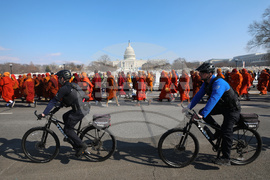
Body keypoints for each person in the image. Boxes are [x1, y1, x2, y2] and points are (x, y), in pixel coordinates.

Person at [182, 62, 241, 165]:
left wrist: (202, 115)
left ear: (209, 73)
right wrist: (188, 107)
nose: (200, 74)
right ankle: (218, 131)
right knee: (203, 113)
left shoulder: (219, 83)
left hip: (232, 109)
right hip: (223, 107)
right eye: (200, 72)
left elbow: (214, 99)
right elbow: (198, 95)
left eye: (202, 72)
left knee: (226, 131)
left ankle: (226, 158)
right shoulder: (206, 83)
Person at [39, 70, 88, 157]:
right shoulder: (73, 85)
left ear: (62, 78)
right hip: (84, 107)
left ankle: (82, 145)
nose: (58, 79)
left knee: (68, 129)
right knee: (65, 116)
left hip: (80, 110)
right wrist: (54, 111)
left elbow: (53, 101)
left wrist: (44, 113)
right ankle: (71, 137)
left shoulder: (64, 88)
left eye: (58, 78)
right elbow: (65, 101)